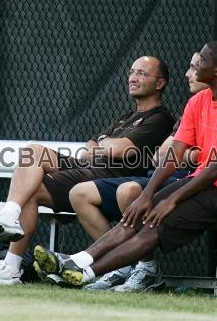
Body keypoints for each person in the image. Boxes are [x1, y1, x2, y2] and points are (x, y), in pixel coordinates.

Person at [33, 41, 217, 289]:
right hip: (200, 181)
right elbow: (174, 154)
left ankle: (85, 272)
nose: (195, 68)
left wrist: (171, 200)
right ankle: (76, 262)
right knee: (136, 214)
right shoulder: (199, 102)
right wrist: (147, 195)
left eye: (202, 62)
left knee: (152, 228)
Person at [0, 55, 175, 285]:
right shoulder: (126, 117)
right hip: (88, 170)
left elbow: (121, 150)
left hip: (111, 178)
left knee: (33, 183)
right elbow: (88, 148)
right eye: (131, 72)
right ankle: (10, 256)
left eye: (141, 73)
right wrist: (102, 147)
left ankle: (119, 262)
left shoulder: (160, 117)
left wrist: (101, 147)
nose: (133, 78)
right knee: (33, 153)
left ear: (160, 83)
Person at [66, 52, 208, 292]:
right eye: (132, 72)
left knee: (129, 190)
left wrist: (191, 155)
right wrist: (192, 153)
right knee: (76, 191)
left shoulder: (163, 116)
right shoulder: (193, 105)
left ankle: (140, 270)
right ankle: (119, 267)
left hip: (192, 182)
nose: (188, 74)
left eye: (195, 68)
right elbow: (160, 155)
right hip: (161, 174)